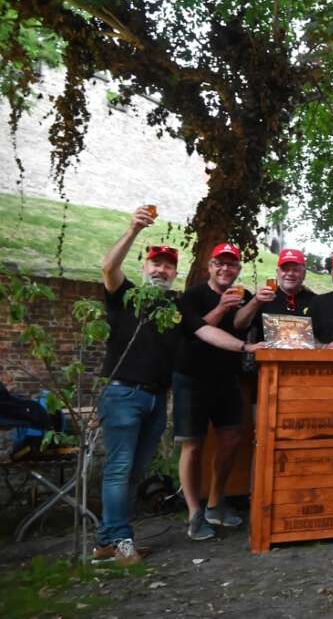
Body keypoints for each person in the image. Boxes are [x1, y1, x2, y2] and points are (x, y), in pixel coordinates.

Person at [97, 211, 261, 563]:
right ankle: (116, 540)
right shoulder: (127, 295)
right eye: (155, 264)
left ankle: (110, 541)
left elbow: (205, 331)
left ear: (176, 272)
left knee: (133, 470)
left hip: (157, 395)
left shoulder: (174, 305)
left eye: (168, 266)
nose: (161, 270)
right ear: (144, 267)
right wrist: (134, 228)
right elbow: (108, 268)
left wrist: (246, 347)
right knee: (120, 469)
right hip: (124, 392)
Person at [172, 242, 259, 541]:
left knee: (232, 438)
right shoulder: (192, 296)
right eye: (220, 263)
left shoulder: (242, 295)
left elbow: (241, 324)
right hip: (191, 377)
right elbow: (197, 330)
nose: (225, 268)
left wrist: (254, 302)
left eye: (231, 264)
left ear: (237, 269)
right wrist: (222, 307)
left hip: (227, 377)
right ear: (210, 266)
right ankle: (194, 513)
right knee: (192, 444)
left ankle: (215, 503)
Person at [234, 248, 316, 337]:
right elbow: (238, 325)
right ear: (277, 273)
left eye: (296, 270)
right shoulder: (263, 297)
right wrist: (255, 301)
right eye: (285, 269)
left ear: (304, 274)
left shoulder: (315, 301)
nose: (290, 273)